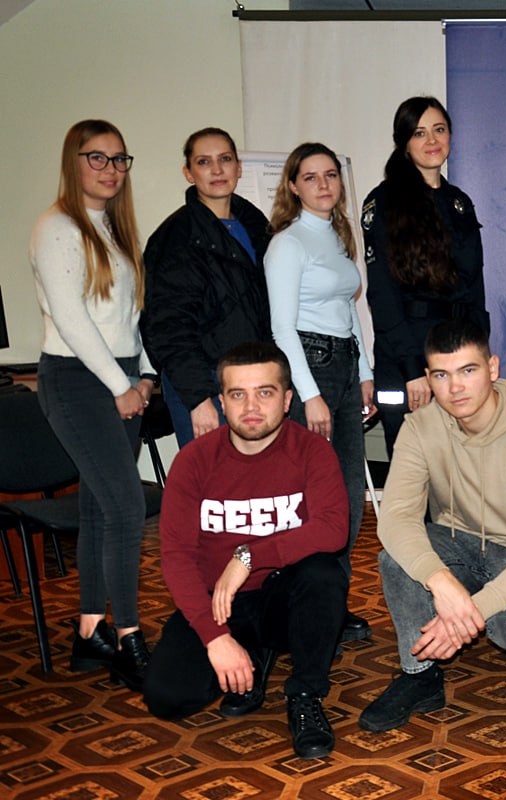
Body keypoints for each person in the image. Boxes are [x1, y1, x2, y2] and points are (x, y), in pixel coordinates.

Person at [359, 319, 506, 732]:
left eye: (468, 371)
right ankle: (420, 676)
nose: (455, 388)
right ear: (428, 377)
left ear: (493, 368)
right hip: (456, 542)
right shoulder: (420, 427)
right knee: (396, 560)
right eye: (441, 375)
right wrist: (441, 582)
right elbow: (396, 518)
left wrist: (471, 611)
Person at [143, 342, 349, 759]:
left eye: (265, 392)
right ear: (222, 402)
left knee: (324, 573)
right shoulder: (194, 460)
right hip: (219, 603)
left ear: (287, 400)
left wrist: (250, 556)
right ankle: (251, 655)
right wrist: (215, 636)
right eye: (238, 394)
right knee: (168, 698)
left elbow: (333, 530)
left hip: (283, 597)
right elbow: (177, 557)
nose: (251, 407)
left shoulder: (312, 450)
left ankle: (305, 694)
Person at [30, 119, 155, 690]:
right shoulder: (57, 226)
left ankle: (89, 631)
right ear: (73, 161)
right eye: (97, 157)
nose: (110, 169)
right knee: (126, 508)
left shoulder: (113, 228)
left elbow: (130, 316)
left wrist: (144, 376)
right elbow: (72, 318)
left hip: (118, 375)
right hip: (77, 380)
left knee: (101, 509)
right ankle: (128, 637)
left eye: (119, 159)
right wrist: (118, 385)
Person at [265, 142, 375, 642]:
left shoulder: (337, 235)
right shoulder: (288, 243)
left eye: (330, 175)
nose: (324, 184)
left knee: (347, 497)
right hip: (310, 368)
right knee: (311, 500)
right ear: (293, 186)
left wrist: (365, 371)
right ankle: (301, 607)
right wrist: (308, 394)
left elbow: (348, 309)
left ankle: (333, 603)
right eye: (310, 177)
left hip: (345, 367)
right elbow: (281, 328)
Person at [362, 96, 489, 456]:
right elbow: (382, 296)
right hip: (407, 357)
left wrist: (478, 356)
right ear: (404, 143)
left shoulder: (459, 202)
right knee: (413, 465)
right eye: (419, 133)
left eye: (439, 130)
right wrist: (414, 369)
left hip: (456, 352)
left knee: (462, 465)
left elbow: (474, 289)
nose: (432, 140)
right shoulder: (384, 202)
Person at [142, 127, 272, 447]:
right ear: (188, 173)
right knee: (216, 478)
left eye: (225, 159)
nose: (216, 170)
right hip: (206, 385)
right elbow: (168, 327)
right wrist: (199, 399)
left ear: (238, 168)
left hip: (256, 380)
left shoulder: (257, 225)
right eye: (204, 162)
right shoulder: (175, 237)